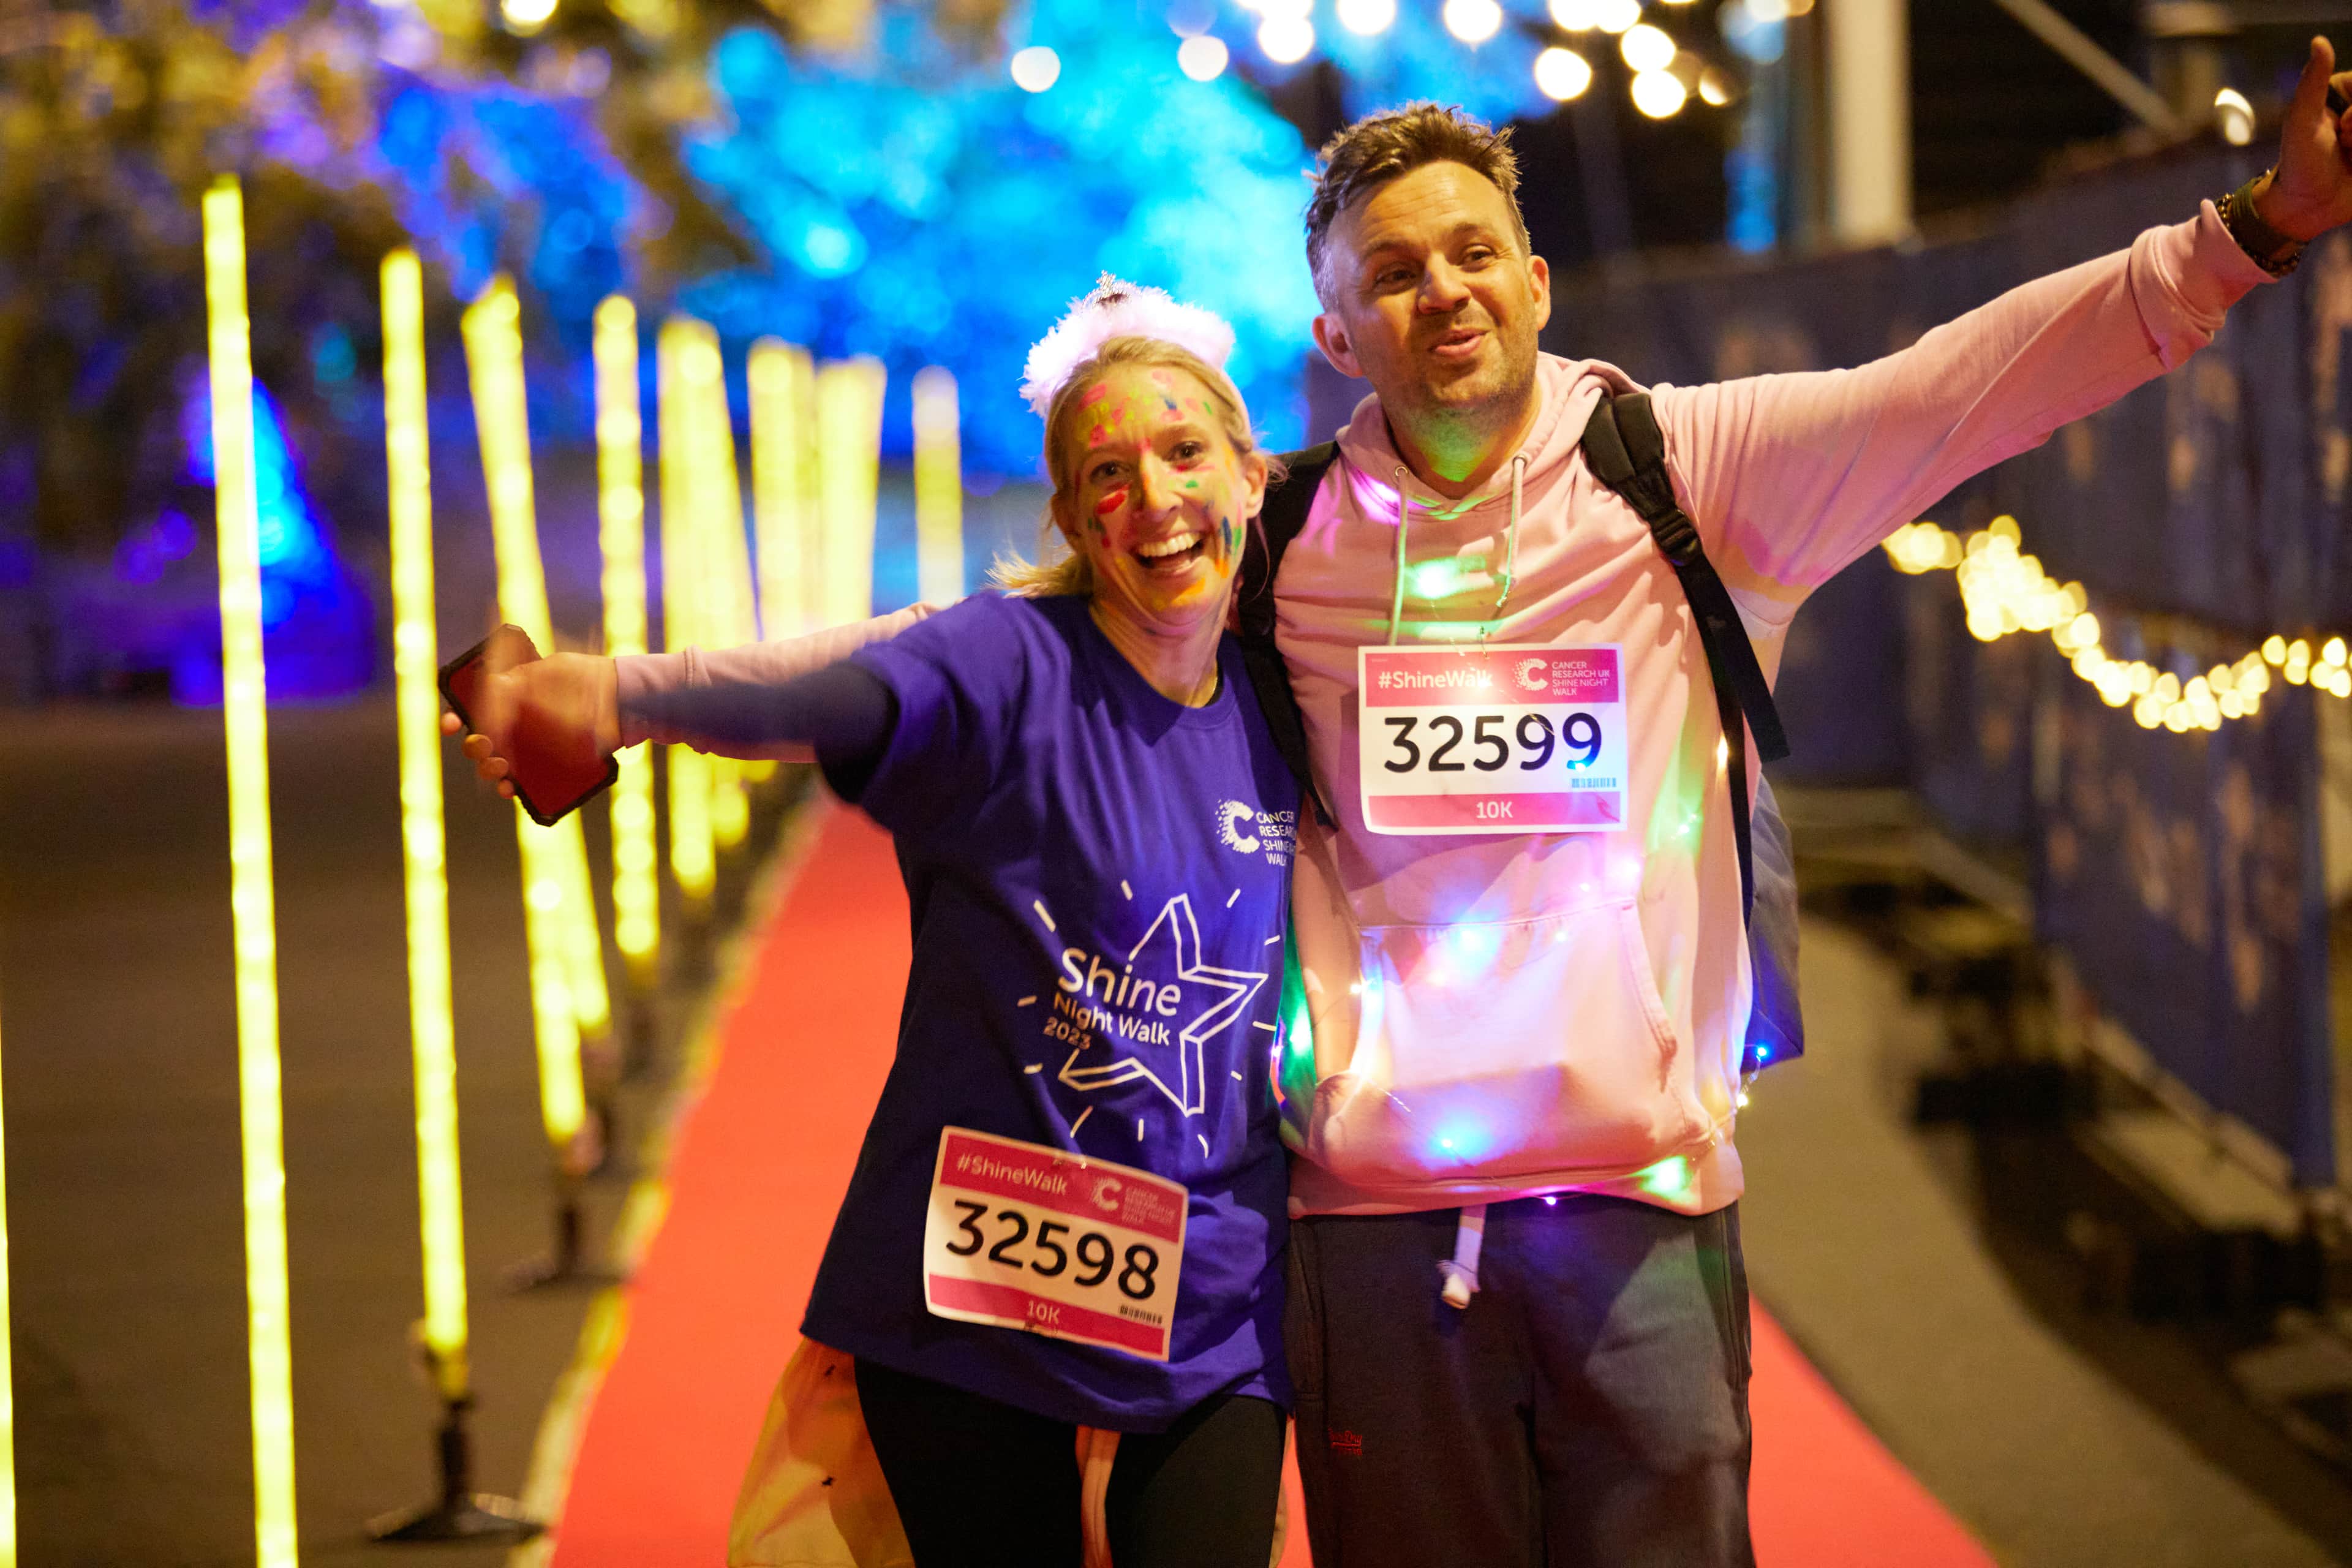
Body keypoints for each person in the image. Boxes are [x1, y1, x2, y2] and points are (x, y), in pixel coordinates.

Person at [1243, 40, 2352, 1568]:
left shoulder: (1680, 472)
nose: (1444, 290)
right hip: (1367, 1228)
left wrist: (2260, 228)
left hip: (1640, 1205)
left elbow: (1972, 384)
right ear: (1335, 328)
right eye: (1395, 270)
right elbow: (1016, 661)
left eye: (1473, 251)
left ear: (1539, 280)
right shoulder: (1273, 542)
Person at [446, 283, 1301, 1568]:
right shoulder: (1005, 658)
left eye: (1186, 454)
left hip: (1215, 1303)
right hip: (977, 1305)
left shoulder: (1299, 682)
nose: (1158, 499)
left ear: (1250, 471)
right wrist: (616, 697)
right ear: (1069, 515)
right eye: (1107, 473)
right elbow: (845, 692)